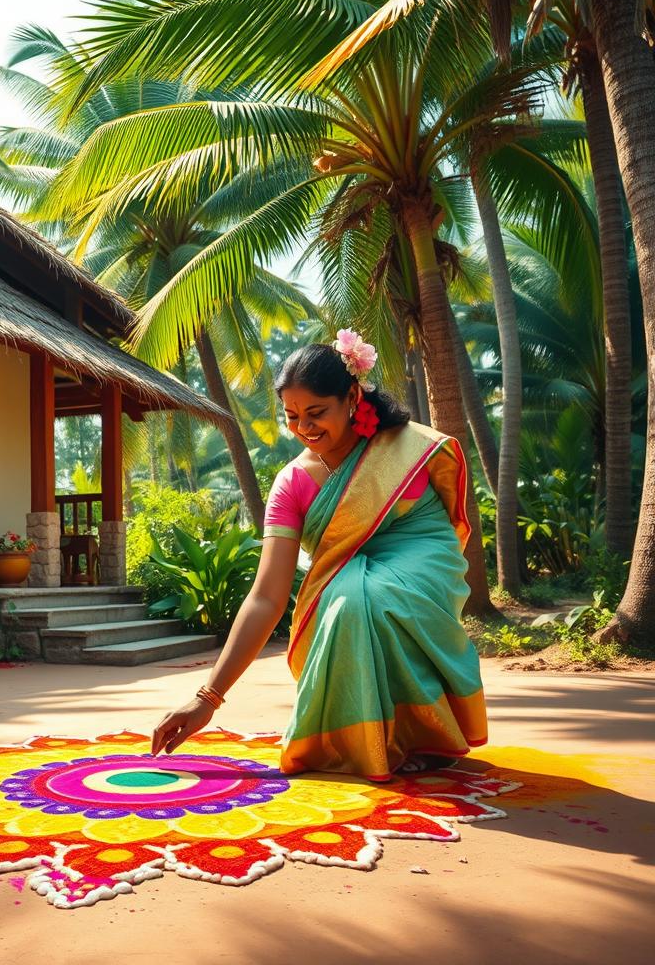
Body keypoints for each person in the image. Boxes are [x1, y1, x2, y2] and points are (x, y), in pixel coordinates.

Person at [150, 329, 488, 781]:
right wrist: (207, 696)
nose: (304, 428)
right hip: (345, 580)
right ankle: (366, 740)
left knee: (368, 596)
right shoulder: (292, 485)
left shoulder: (407, 449)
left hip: (423, 561)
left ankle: (422, 733)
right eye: (291, 416)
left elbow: (444, 521)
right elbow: (267, 596)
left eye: (316, 412)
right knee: (349, 597)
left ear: (351, 396)